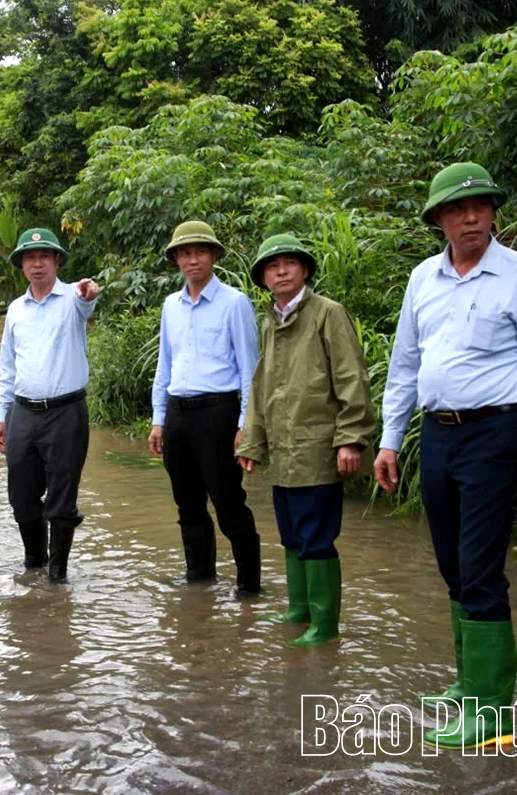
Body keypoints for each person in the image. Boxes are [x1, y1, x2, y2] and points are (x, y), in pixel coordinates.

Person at [374, 162, 517, 749]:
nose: (470, 216)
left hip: (495, 434)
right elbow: (406, 365)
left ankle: (494, 717)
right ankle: (467, 685)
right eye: (456, 209)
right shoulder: (422, 280)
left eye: (479, 205)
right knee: (452, 565)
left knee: (481, 568)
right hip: (438, 434)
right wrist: (390, 438)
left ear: (493, 212)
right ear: (439, 220)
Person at [235, 234, 375, 645]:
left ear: (305, 270)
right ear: (263, 277)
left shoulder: (328, 314)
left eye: (290, 263)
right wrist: (252, 444)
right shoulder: (270, 322)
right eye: (272, 266)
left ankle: (325, 626)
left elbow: (352, 377)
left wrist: (351, 439)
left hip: (317, 446)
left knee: (316, 537)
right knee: (291, 533)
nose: (281, 271)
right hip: (283, 448)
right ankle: (298, 609)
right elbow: (262, 388)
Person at [148, 221, 261, 595]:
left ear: (213, 255)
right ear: (176, 259)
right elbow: (165, 365)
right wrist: (159, 420)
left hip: (219, 414)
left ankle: (248, 587)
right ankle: (199, 578)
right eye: (184, 253)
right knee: (188, 504)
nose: (192, 260)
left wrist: (245, 424)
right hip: (178, 414)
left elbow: (250, 370)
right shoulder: (171, 306)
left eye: (199, 252)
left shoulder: (234, 303)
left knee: (229, 504)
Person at [0, 228, 101, 584]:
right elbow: (7, 366)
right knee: (22, 498)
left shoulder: (73, 298)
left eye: (44, 257)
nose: (36, 263)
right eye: (29, 257)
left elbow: (87, 302)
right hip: (22, 412)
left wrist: (88, 295)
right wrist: (1, 416)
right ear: (22, 265)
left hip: (66, 413)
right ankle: (33, 564)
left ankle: (57, 577)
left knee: (62, 499)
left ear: (56, 261)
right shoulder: (15, 310)